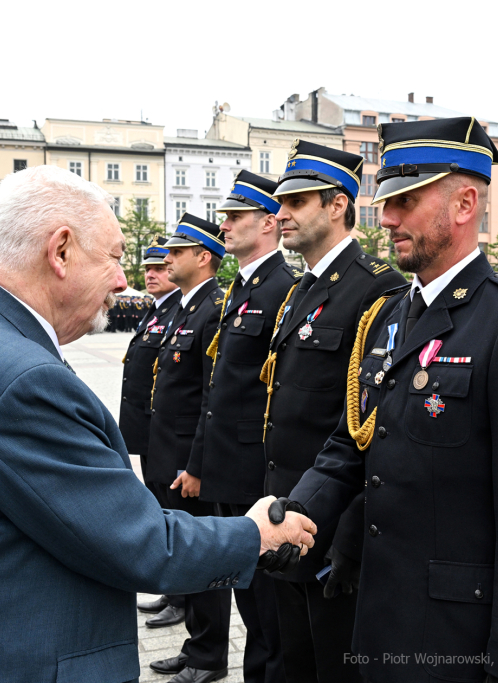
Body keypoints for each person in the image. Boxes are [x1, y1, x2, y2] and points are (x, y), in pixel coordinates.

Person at [0, 166, 316, 683]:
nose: (123, 279)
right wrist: (255, 534)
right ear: (60, 251)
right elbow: (142, 544)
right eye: (111, 257)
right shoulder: (23, 380)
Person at [273, 117, 498, 683]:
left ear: (465, 204)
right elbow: (350, 443)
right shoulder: (388, 315)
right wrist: (295, 514)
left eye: (406, 201)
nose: (386, 217)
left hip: (457, 639)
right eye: (385, 200)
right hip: (378, 616)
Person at [264, 140, 406, 683]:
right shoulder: (303, 290)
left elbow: (368, 427)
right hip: (287, 514)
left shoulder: (377, 291)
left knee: (333, 669)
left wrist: (347, 539)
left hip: (329, 534)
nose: (281, 215)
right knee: (292, 663)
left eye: (297, 202)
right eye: (281, 203)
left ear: (337, 205)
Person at [183, 171, 299, 683]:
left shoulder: (283, 289)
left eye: (234, 217)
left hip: (256, 473)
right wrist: (201, 464)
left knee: (270, 616)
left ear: (268, 223)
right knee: (252, 609)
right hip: (228, 470)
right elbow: (218, 391)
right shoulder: (241, 288)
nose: (223, 226)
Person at [146, 213, 233, 683]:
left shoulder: (213, 309)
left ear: (203, 258)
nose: (167, 258)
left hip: (188, 461)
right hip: (168, 454)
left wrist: (197, 464)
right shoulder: (181, 307)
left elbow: (209, 396)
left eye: (177, 252)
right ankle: (195, 645)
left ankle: (210, 657)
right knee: (184, 555)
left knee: (203, 557)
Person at [121, 238, 184, 629]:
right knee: (161, 512)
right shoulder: (155, 311)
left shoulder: (181, 310)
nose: (152, 274)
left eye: (160, 267)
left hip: (169, 435)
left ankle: (183, 599)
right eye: (148, 269)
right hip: (149, 433)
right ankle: (174, 593)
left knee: (177, 516)